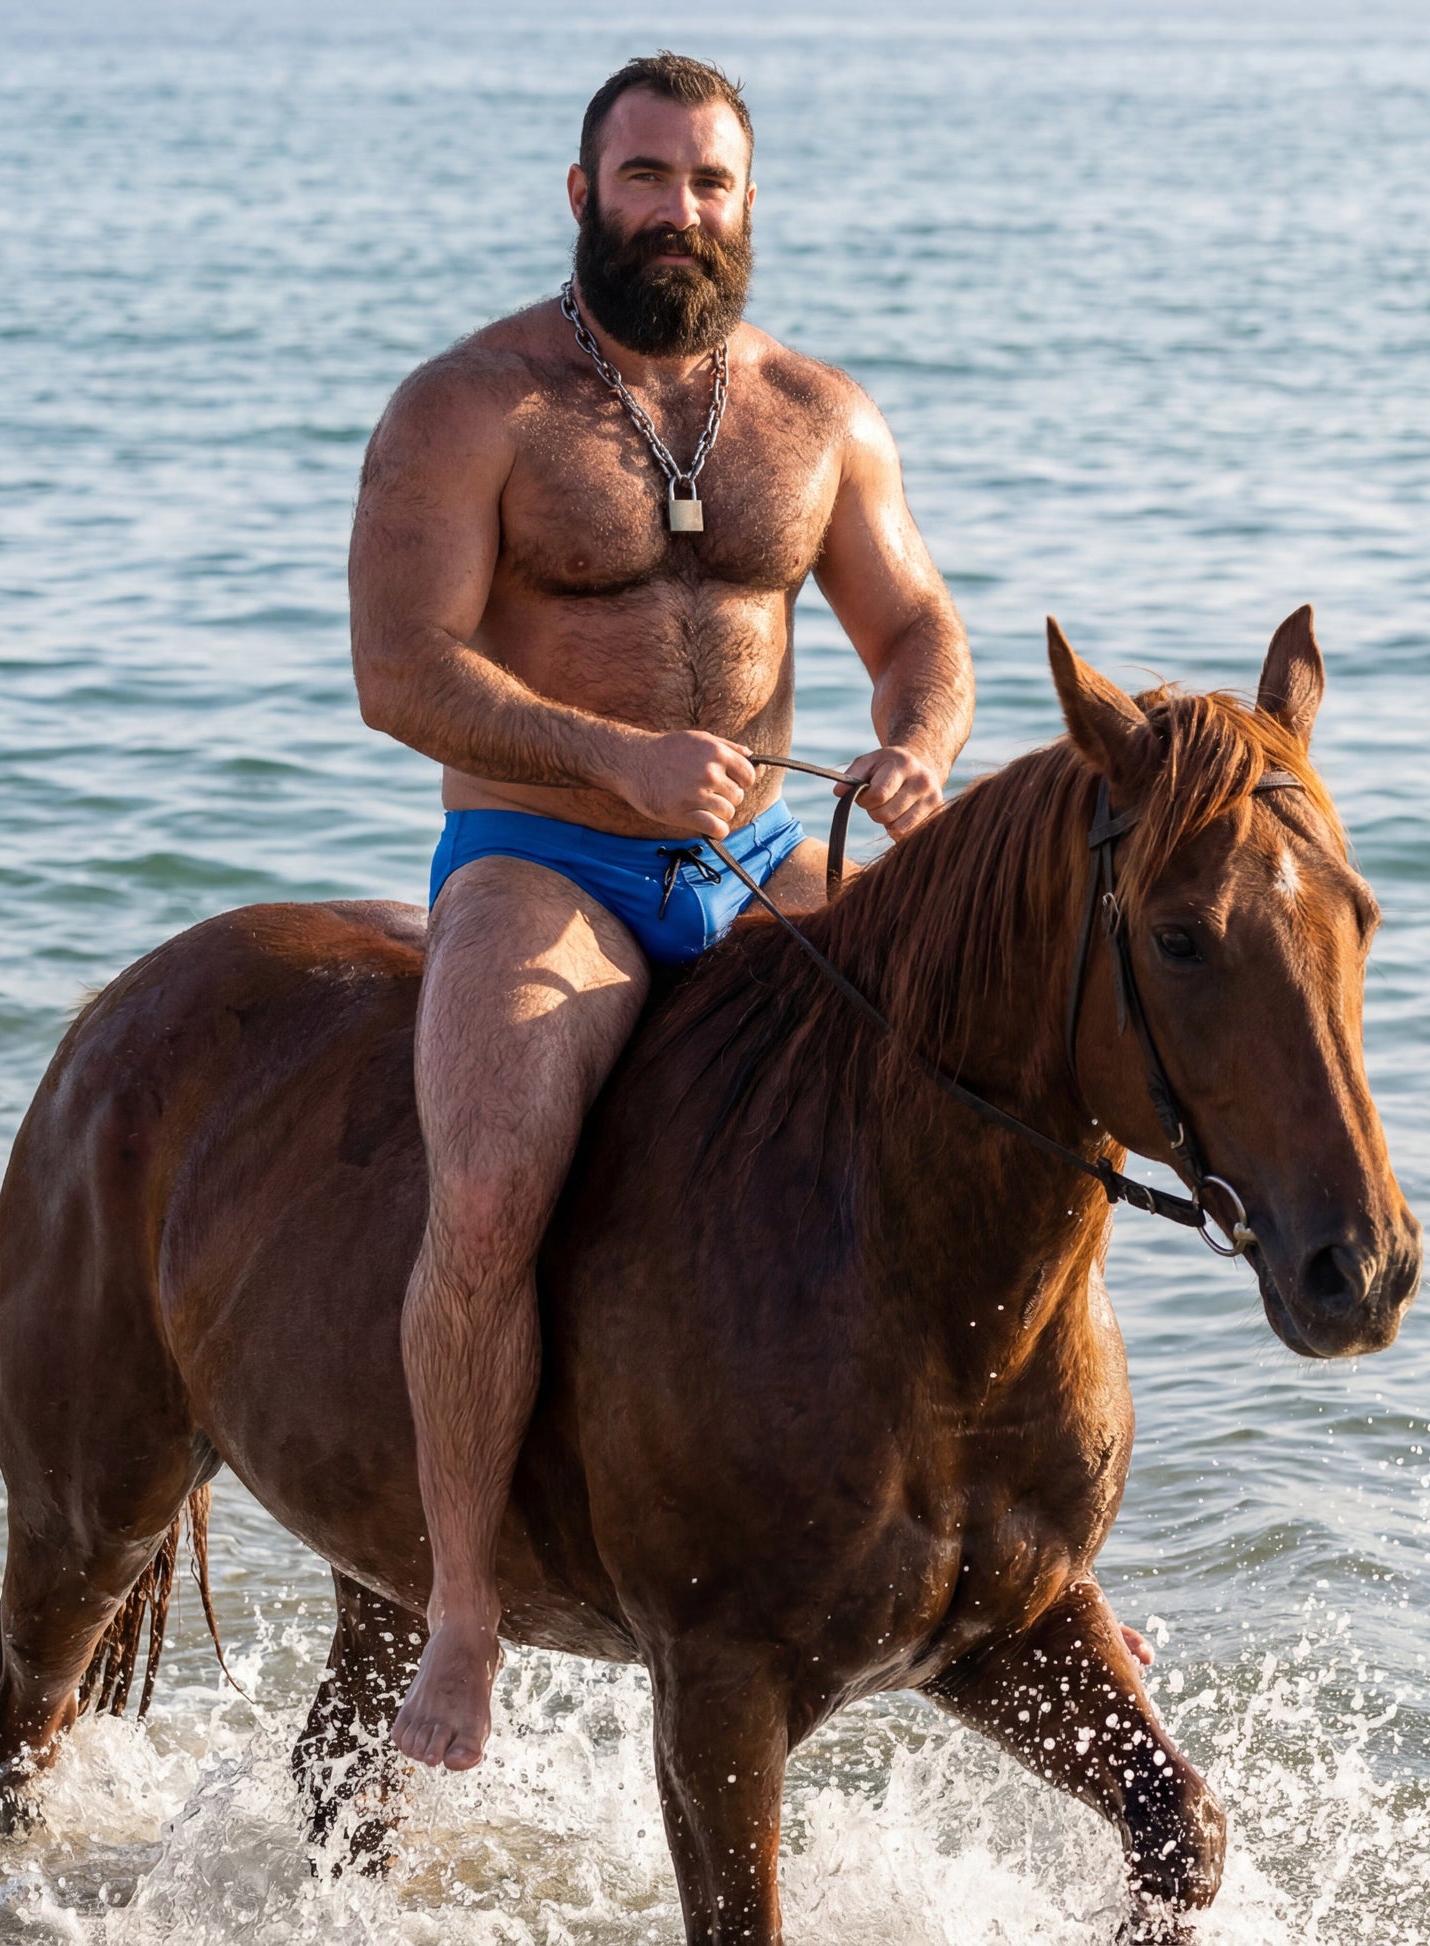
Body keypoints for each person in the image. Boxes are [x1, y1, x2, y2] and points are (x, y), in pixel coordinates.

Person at [349, 51, 978, 1773]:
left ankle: (1014, 1555)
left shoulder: (817, 415)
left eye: (707, 182)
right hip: (549, 859)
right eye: (643, 179)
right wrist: (609, 762)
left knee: (984, 1113)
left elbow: (919, 630)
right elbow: (397, 670)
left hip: (769, 850)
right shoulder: (472, 406)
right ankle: (464, 1610)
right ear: (580, 195)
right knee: (483, 1193)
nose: (676, 212)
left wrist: (912, 751)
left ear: (748, 202)